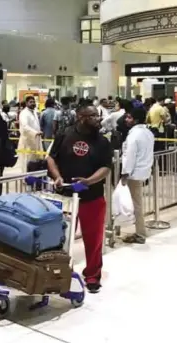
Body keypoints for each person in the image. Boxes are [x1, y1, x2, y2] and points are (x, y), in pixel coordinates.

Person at [47, 104, 111, 293]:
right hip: (66, 198)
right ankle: (61, 273)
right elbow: (51, 158)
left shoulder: (102, 141)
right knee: (62, 239)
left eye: (98, 116)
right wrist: (56, 176)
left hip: (93, 197)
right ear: (81, 117)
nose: (98, 119)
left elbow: (106, 167)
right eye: (93, 116)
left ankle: (92, 275)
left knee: (94, 239)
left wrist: (89, 181)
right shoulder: (64, 135)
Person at [120, 108, 154, 244]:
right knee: (136, 203)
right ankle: (139, 231)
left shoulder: (134, 135)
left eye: (129, 117)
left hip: (133, 173)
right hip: (143, 171)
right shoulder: (148, 133)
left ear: (136, 120)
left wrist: (125, 173)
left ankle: (140, 234)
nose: (126, 120)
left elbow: (130, 156)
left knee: (136, 204)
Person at [16, 96, 43, 173]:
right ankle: (26, 177)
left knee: (35, 159)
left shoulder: (34, 112)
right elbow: (25, 126)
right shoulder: (24, 113)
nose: (33, 103)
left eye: (33, 102)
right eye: (30, 102)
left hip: (36, 139)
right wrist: (35, 132)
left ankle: (34, 177)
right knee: (27, 159)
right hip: (27, 141)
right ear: (26, 103)